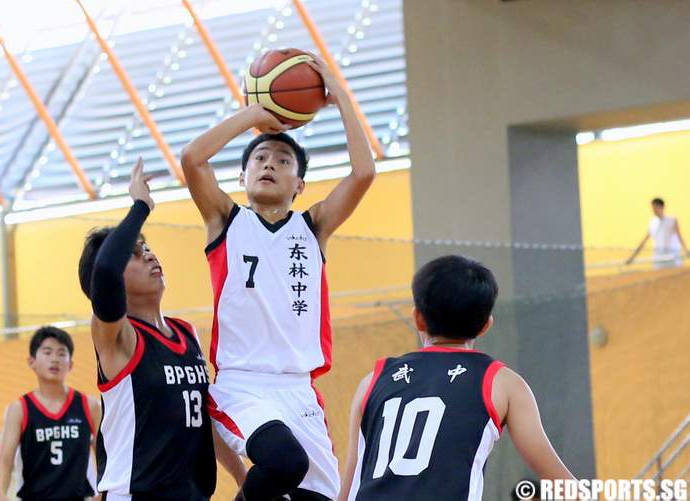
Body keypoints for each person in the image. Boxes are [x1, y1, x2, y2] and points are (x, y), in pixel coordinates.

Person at [181, 54, 376, 501]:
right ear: (244, 175)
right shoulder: (225, 221)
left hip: (298, 389)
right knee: (284, 462)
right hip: (242, 385)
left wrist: (339, 97)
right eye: (261, 158)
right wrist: (255, 115)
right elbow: (192, 158)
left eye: (284, 160)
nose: (270, 163)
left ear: (300, 185)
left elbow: (364, 172)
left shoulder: (313, 227)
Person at [339, 255, 575, 501]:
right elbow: (560, 482)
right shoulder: (502, 384)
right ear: (485, 325)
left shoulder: (373, 381)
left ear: (418, 317)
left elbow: (352, 479)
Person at [77, 158, 245, 500]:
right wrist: (141, 204)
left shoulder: (186, 333)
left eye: (148, 249)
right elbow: (106, 269)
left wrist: (246, 481)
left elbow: (201, 418)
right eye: (136, 255)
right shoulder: (116, 337)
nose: (150, 256)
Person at [0, 326, 98, 501]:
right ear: (31, 361)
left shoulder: (89, 405)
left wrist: (103, 494)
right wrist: (1, 496)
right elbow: (5, 460)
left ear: (70, 364)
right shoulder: (19, 409)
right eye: (47, 352)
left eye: (61, 353)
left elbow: (108, 454)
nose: (54, 359)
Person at [627, 198, 688, 268]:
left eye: (655, 207)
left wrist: (686, 251)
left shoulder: (672, 220)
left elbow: (680, 237)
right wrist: (632, 257)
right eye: (653, 208)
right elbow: (644, 241)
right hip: (658, 257)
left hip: (672, 257)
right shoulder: (652, 222)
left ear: (661, 207)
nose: (654, 210)